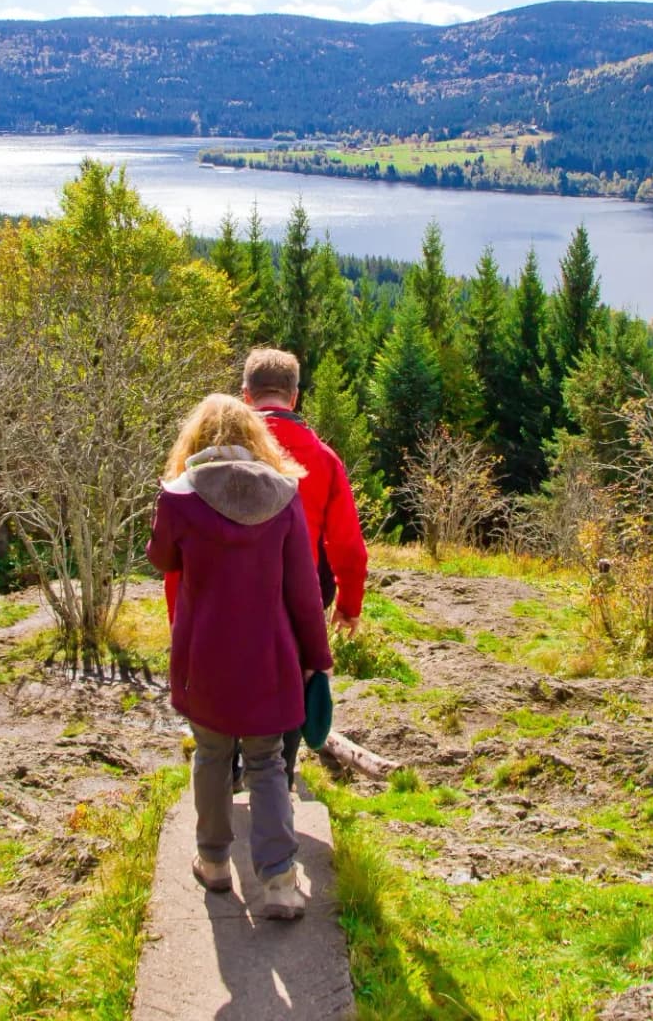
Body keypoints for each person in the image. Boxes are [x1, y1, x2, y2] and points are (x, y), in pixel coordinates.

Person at [147, 394, 332, 919]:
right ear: (256, 439)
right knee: (268, 761)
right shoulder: (285, 495)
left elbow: (161, 557)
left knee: (209, 755)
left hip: (203, 657)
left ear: (195, 440)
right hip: (269, 659)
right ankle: (277, 881)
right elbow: (302, 592)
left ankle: (213, 863)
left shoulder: (178, 497)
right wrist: (317, 658)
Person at [163, 348, 370, 786]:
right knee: (288, 694)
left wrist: (178, 621)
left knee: (222, 691)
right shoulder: (323, 458)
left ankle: (226, 780)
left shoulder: (206, 456)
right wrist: (349, 604)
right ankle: (279, 778)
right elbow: (348, 545)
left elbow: (179, 552)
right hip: (299, 597)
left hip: (218, 595)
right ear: (294, 397)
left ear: (245, 395)